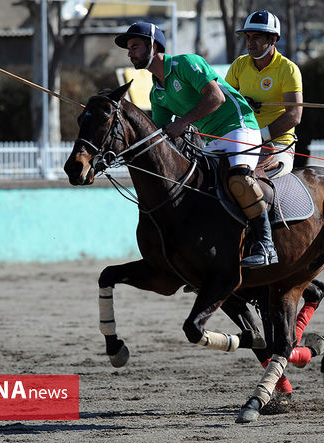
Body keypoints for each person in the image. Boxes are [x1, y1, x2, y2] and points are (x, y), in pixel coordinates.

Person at [115, 22, 276, 268]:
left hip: (240, 126)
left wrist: (182, 122)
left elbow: (216, 97)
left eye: (135, 46)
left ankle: (266, 245)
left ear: (153, 45)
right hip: (211, 140)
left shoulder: (187, 63)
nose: (130, 53)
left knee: (239, 179)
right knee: (199, 189)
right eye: (129, 48)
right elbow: (160, 136)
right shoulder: (156, 93)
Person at [225, 10, 302, 179]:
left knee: (252, 181)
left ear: (273, 39)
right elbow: (224, 101)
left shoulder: (288, 69)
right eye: (248, 37)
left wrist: (260, 136)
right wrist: (240, 102)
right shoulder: (239, 64)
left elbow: (294, 116)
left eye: (257, 37)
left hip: (278, 145)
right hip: (244, 140)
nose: (250, 43)